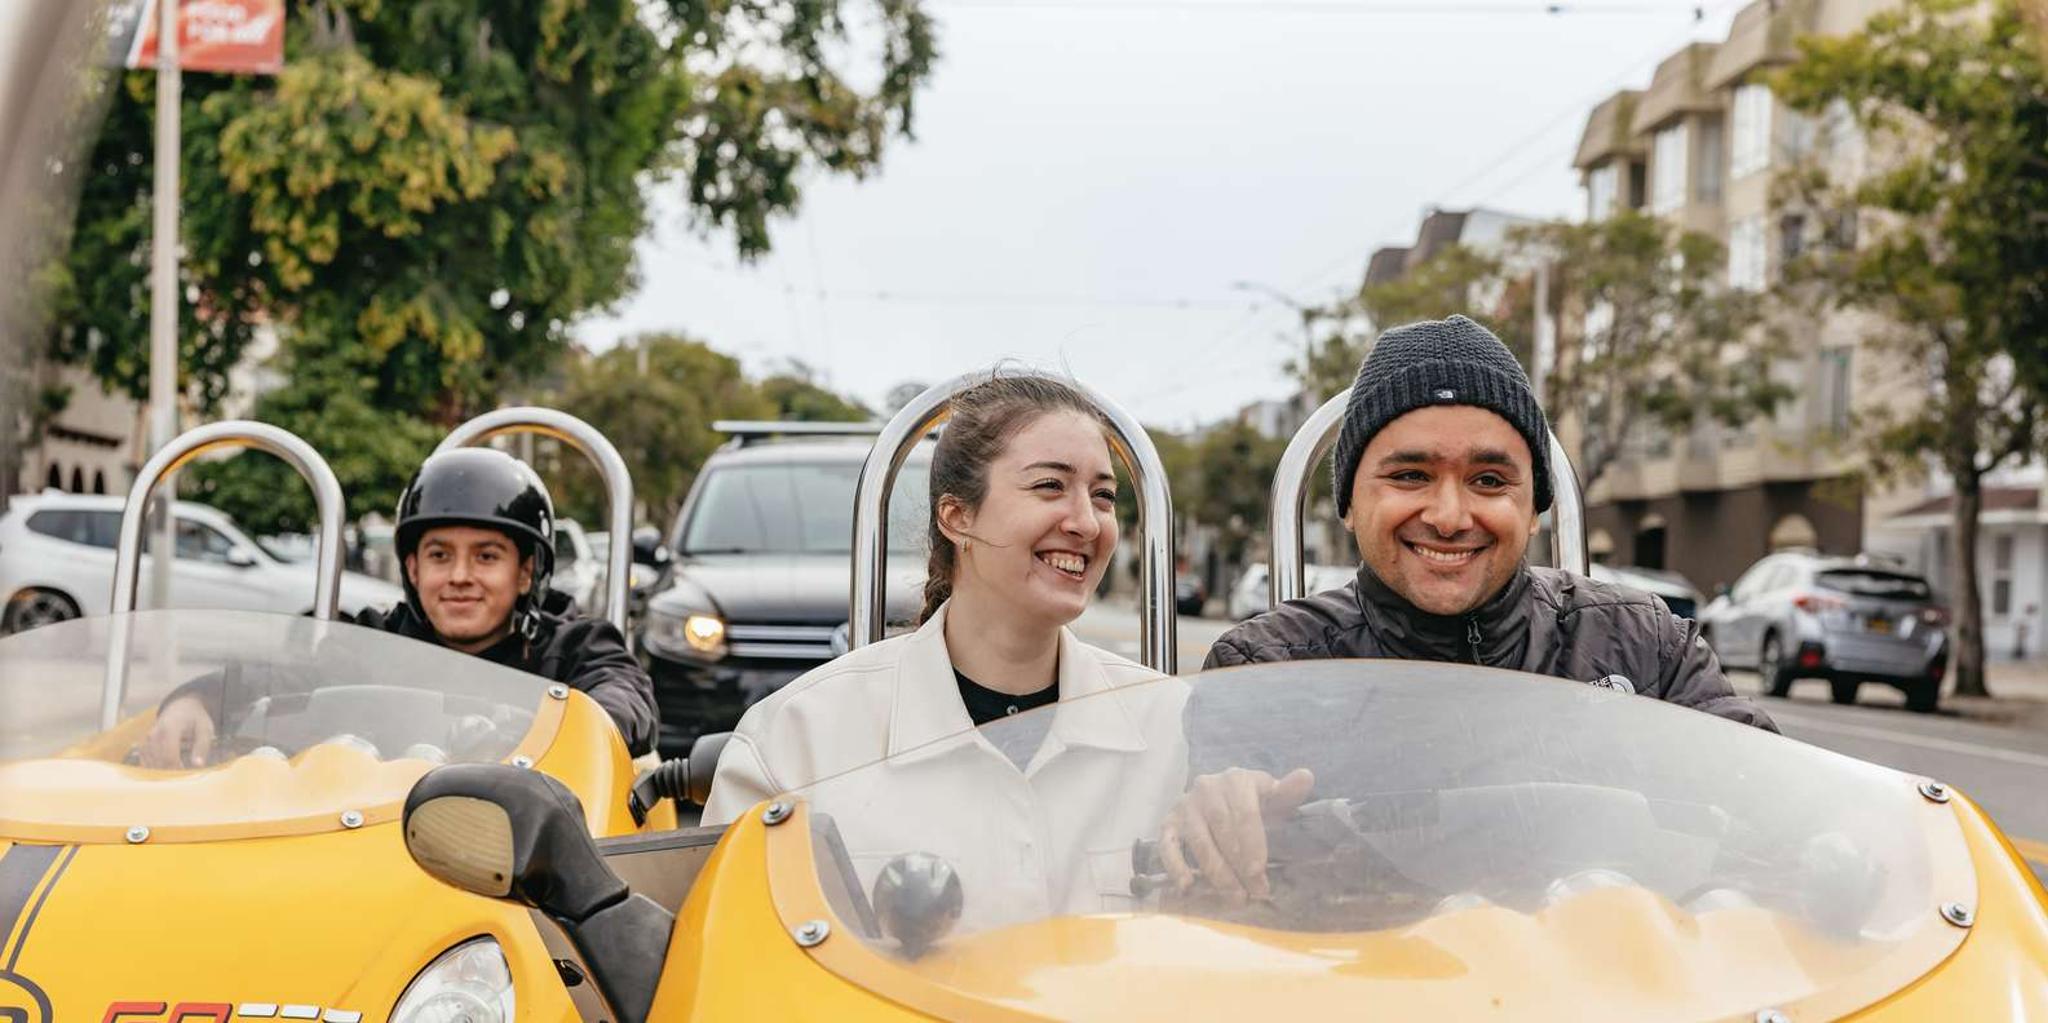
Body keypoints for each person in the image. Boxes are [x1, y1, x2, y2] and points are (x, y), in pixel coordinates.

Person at [1161, 314, 1775, 901]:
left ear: (1534, 506)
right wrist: (1221, 825)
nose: (1450, 517)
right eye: (1409, 476)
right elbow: (1218, 912)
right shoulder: (1265, 669)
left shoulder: (1646, 648)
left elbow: (1781, 821)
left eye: (1488, 480)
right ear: (1348, 503)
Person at [702, 374, 1186, 929]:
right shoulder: (797, 737)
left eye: (1104, 496)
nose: (1085, 522)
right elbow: (730, 958)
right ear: (957, 517)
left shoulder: (1172, 728)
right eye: (1050, 486)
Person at [142, 448, 657, 766]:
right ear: (412, 569)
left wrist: (577, 728)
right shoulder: (374, 642)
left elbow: (623, 695)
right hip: (382, 863)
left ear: (525, 571)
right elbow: (284, 677)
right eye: (439, 555)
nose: (459, 576)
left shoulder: (573, 645)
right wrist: (200, 699)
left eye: (486, 556)